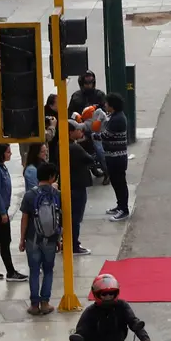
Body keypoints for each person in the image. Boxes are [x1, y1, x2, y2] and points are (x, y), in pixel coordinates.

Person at [19, 162, 61, 316]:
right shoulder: (57, 194)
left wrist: (22, 239)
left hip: (32, 239)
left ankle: (34, 305)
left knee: (34, 271)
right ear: (51, 177)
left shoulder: (30, 195)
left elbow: (24, 219)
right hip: (50, 239)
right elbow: (59, 219)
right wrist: (58, 239)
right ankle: (45, 303)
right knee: (48, 271)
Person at [0, 144, 27, 282]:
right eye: (8, 152)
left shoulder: (1, 168)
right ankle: (10, 272)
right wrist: (2, 212)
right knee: (3, 241)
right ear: (1, 154)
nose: (10, 154)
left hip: (1, 209)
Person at [66, 121, 95, 256]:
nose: (81, 132)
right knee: (75, 218)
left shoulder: (61, 146)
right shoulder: (75, 148)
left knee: (68, 218)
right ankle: (74, 245)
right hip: (77, 186)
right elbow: (90, 159)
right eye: (78, 130)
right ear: (70, 132)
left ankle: (67, 242)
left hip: (69, 185)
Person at [102, 94, 130, 222]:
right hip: (112, 156)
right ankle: (120, 205)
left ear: (112, 105)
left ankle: (124, 209)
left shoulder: (117, 119)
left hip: (117, 158)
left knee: (120, 183)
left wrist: (92, 133)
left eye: (107, 103)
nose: (105, 105)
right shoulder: (113, 117)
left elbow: (105, 135)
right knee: (115, 182)